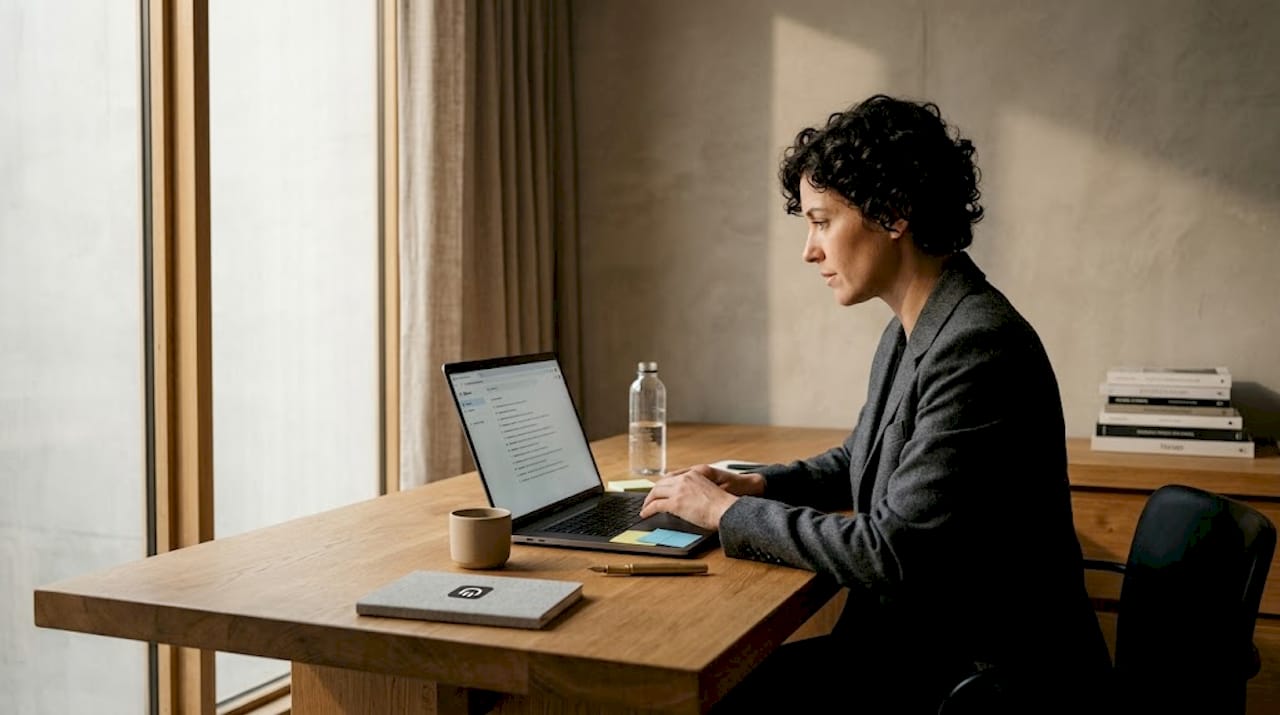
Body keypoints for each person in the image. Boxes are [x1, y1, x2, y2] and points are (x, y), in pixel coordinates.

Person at [639, 95, 1111, 713]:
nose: (810, 250)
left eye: (821, 221)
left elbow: (892, 553)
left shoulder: (977, 345)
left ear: (893, 215)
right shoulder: (916, 326)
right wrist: (752, 485)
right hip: (921, 654)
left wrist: (724, 514)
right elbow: (856, 459)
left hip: (978, 683)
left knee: (711, 691)